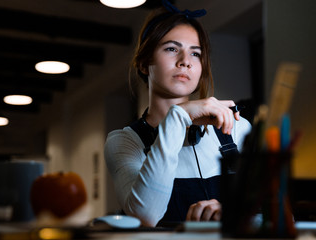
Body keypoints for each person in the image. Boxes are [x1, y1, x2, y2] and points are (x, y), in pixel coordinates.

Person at [104, 0, 251, 227]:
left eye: (195, 54)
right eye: (172, 49)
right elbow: (144, 217)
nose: (185, 62)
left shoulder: (237, 128)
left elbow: (279, 217)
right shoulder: (124, 142)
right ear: (144, 63)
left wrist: (234, 214)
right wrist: (177, 116)